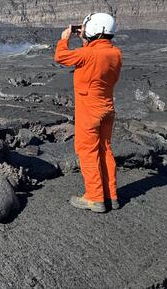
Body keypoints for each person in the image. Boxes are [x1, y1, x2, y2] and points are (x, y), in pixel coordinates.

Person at [54, 13, 122, 213]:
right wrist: (86, 40)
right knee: (105, 149)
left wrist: (64, 38)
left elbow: (61, 56)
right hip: (107, 108)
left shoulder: (87, 55)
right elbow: (94, 57)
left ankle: (94, 198)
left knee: (88, 151)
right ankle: (111, 196)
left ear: (94, 30)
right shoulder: (115, 53)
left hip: (89, 111)